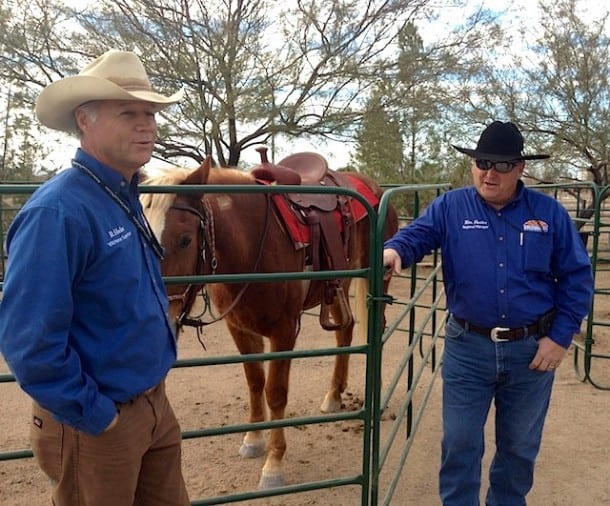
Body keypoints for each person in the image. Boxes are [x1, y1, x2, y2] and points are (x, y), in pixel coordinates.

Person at [0, 50, 190, 505]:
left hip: (151, 405)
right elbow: (30, 341)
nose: (147, 125)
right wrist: (97, 415)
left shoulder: (123, 196)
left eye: (150, 113)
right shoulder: (58, 212)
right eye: (129, 113)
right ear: (85, 121)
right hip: (99, 422)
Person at [383, 121, 593, 505]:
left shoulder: (548, 214)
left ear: (520, 168)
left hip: (532, 352)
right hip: (468, 347)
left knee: (518, 449)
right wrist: (395, 250)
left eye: (501, 165)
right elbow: (417, 235)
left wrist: (560, 338)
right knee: (459, 444)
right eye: (482, 162)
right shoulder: (451, 206)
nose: (489, 172)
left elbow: (578, 277)